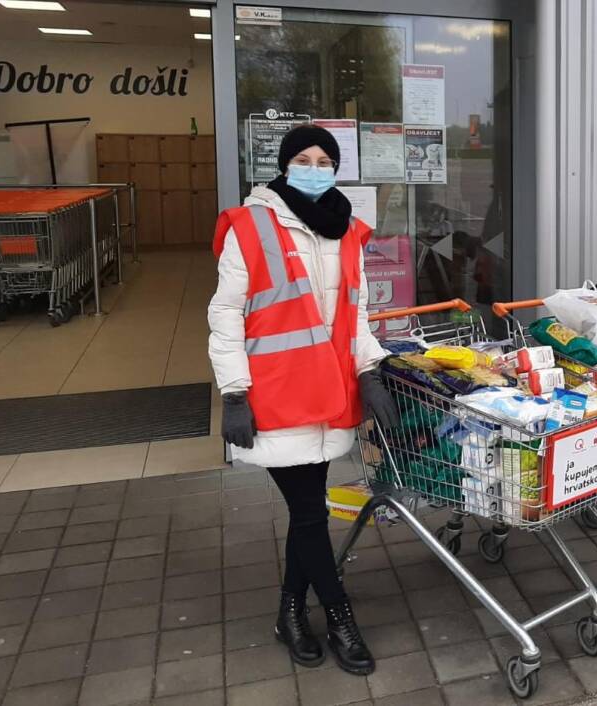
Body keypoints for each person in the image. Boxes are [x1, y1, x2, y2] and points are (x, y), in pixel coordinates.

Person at [207, 124, 400, 675]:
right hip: (273, 399)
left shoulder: (347, 232)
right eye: (304, 158)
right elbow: (224, 315)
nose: (315, 167)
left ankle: (290, 615)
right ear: (285, 164)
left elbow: (355, 314)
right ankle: (340, 617)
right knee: (311, 515)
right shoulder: (251, 225)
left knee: (308, 516)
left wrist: (369, 372)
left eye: (325, 160)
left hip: (329, 396)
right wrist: (234, 393)